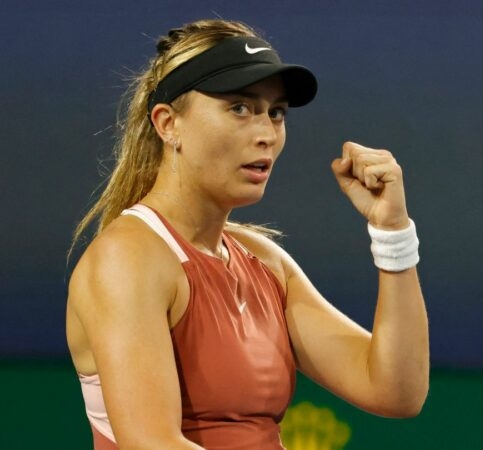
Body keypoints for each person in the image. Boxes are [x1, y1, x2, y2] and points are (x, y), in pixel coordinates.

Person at [66, 18, 429, 450]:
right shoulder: (128, 257)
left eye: (275, 113)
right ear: (167, 124)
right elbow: (151, 443)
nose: (265, 135)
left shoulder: (265, 261)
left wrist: (392, 233)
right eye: (239, 107)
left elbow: (395, 390)